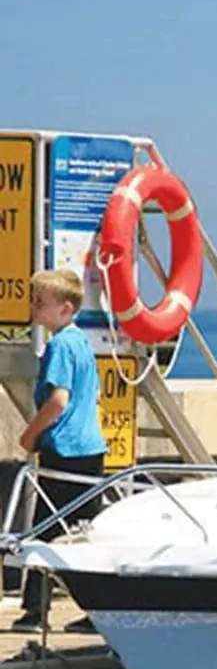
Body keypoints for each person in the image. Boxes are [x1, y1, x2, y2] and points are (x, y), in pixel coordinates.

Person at [10, 269, 107, 633]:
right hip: (89, 448)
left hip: (64, 451)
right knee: (84, 533)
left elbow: (58, 400)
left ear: (65, 308)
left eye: (41, 302)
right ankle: (98, 610)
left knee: (43, 532)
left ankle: (35, 612)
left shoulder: (60, 346)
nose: (34, 307)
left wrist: (30, 434)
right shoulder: (81, 343)